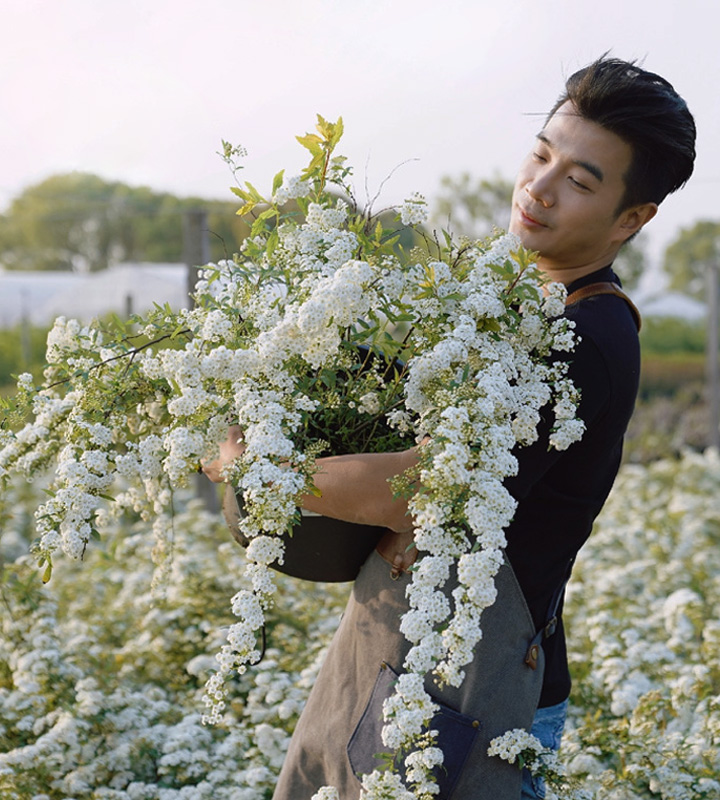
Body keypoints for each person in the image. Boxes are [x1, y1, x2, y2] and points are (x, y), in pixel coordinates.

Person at [204, 57, 696, 799]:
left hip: (470, 692)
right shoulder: (509, 304)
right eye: (540, 154)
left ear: (633, 218)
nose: (539, 186)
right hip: (395, 654)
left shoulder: (585, 339)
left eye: (580, 180)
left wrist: (262, 472)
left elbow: (426, 489)